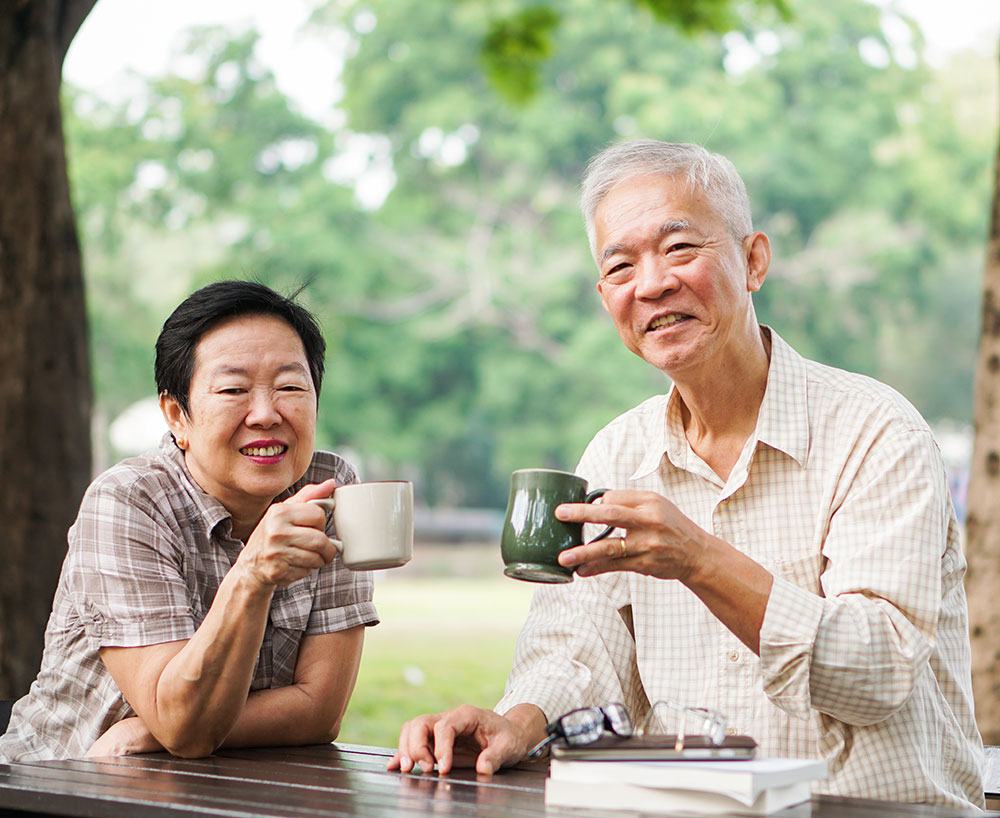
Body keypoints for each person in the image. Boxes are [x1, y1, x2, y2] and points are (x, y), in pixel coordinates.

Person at [389, 140, 985, 808]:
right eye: (621, 265)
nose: (651, 284)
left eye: (679, 249)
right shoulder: (617, 453)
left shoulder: (876, 432)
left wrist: (699, 560)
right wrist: (516, 721)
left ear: (754, 260)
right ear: (604, 295)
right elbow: (579, 651)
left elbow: (877, 669)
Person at [0, 280, 377, 761]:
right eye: (233, 389)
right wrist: (252, 574)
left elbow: (319, 710)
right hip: (54, 786)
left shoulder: (331, 487)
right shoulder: (129, 502)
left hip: (220, 787)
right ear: (177, 415)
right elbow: (185, 724)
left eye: (289, 387)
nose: (265, 414)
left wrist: (148, 734)